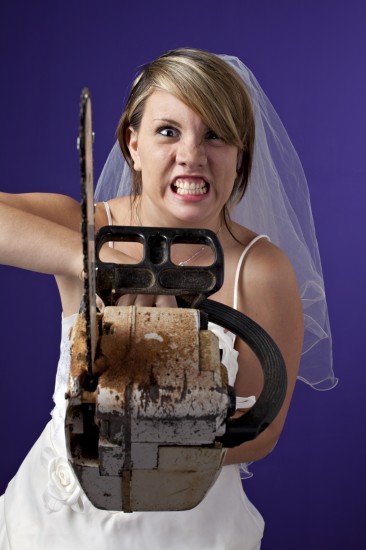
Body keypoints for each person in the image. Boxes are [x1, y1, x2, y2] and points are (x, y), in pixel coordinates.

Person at [0, 48, 336, 549]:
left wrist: (153, 445)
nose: (192, 155)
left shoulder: (260, 271)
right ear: (132, 144)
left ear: (240, 153)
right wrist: (92, 262)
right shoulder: (88, 225)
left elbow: (262, 432)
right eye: (168, 131)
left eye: (216, 135)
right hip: (50, 524)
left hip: (188, 528)